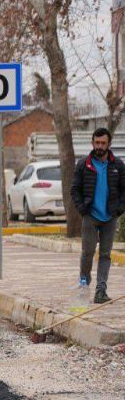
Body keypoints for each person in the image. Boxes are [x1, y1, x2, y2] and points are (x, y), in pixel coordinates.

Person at [72, 127, 125, 304]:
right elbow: (75, 189)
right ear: (92, 143)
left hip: (110, 217)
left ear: (109, 144)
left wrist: (118, 210)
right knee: (87, 253)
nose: (100, 146)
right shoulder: (83, 164)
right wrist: (82, 209)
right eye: (97, 142)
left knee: (105, 255)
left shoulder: (117, 165)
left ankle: (101, 290)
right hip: (90, 216)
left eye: (103, 143)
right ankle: (84, 286)